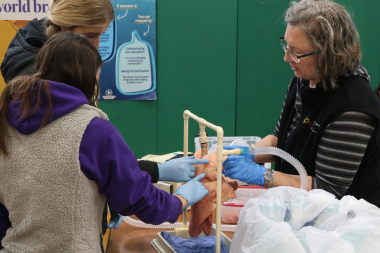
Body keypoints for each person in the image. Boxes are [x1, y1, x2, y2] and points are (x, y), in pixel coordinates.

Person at [0, 0, 206, 232]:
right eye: (91, 35)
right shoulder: (90, 126)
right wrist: (179, 201)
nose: (97, 46)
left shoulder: (9, 116)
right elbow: (129, 189)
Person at [223, 0, 380, 207]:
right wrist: (245, 154)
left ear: (328, 53)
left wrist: (263, 176)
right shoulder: (304, 79)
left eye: (296, 51)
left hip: (344, 223)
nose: (287, 58)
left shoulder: (351, 108)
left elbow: (327, 189)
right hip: (301, 209)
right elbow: (280, 141)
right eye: (286, 45)